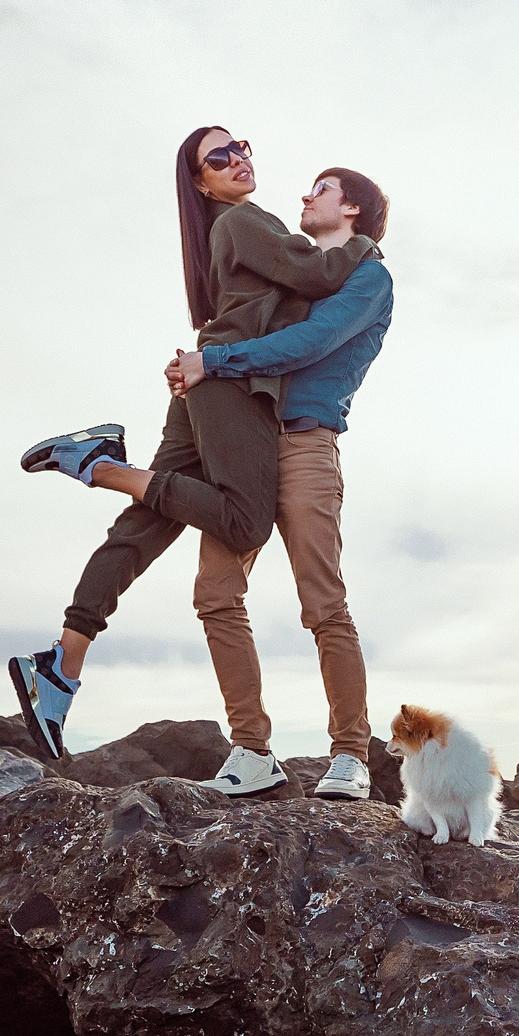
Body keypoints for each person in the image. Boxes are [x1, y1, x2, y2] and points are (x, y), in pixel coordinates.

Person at [8, 126, 373, 783]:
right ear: (201, 182)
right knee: (241, 527)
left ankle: (62, 663)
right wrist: (367, 240)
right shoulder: (245, 221)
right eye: (219, 157)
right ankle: (102, 466)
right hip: (230, 390)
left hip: (227, 392)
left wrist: (208, 362)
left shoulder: (241, 238)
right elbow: (314, 274)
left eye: (242, 147)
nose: (239, 160)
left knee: (148, 521)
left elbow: (307, 321)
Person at [165, 166, 393, 800]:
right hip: (246, 442)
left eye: (320, 189)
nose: (304, 196)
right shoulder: (292, 276)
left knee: (323, 602)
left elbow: (311, 342)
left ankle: (350, 755)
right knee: (215, 592)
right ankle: (251, 749)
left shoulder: (370, 278)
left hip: (305, 446)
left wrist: (213, 361)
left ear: (352, 208)